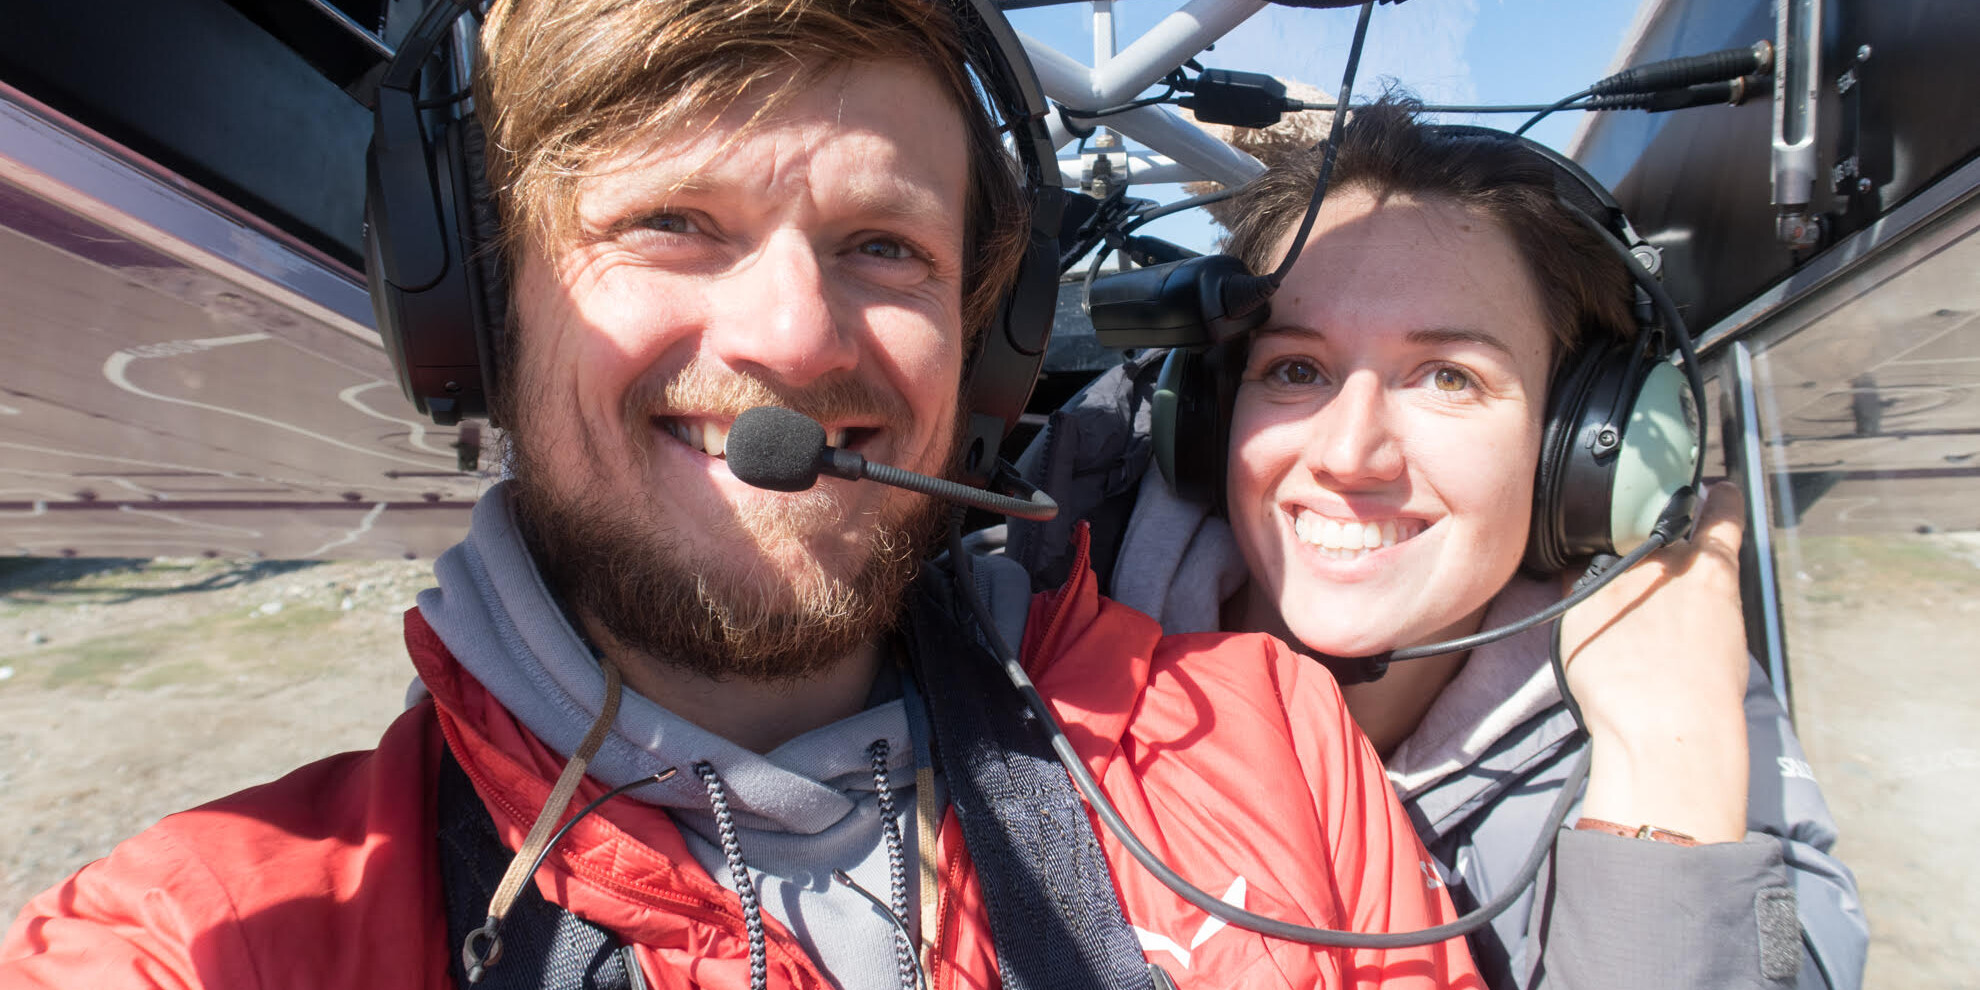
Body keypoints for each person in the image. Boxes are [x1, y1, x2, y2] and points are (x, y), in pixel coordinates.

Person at [0, 4, 1485, 989]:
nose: (793, 333)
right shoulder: (205, 930)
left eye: (885, 246)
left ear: (990, 341)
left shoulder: (1266, 747)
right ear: (479, 315)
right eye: (672, 220)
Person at [1008, 98, 1867, 990]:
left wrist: (1664, 769)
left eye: (1448, 376)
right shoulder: (1010, 627)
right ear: (1213, 413)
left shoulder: (1683, 699)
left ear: (1579, 450)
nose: (1349, 454)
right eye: (1296, 369)